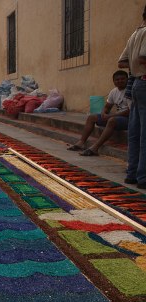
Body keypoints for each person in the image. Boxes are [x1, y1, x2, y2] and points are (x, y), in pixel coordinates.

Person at [66, 70, 129, 157]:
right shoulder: (114, 91)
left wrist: (111, 115)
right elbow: (107, 106)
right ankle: (81, 142)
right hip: (116, 117)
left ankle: (95, 148)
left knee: (112, 120)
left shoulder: (130, 91)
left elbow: (130, 111)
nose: (120, 81)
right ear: (113, 81)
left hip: (129, 119)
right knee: (92, 117)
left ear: (127, 79)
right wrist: (103, 113)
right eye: (117, 79)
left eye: (122, 79)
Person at [119, 6, 146, 188]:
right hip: (144, 81)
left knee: (135, 132)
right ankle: (143, 177)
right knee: (144, 132)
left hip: (137, 82)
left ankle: (132, 173)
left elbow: (122, 62)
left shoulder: (135, 34)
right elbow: (144, 58)